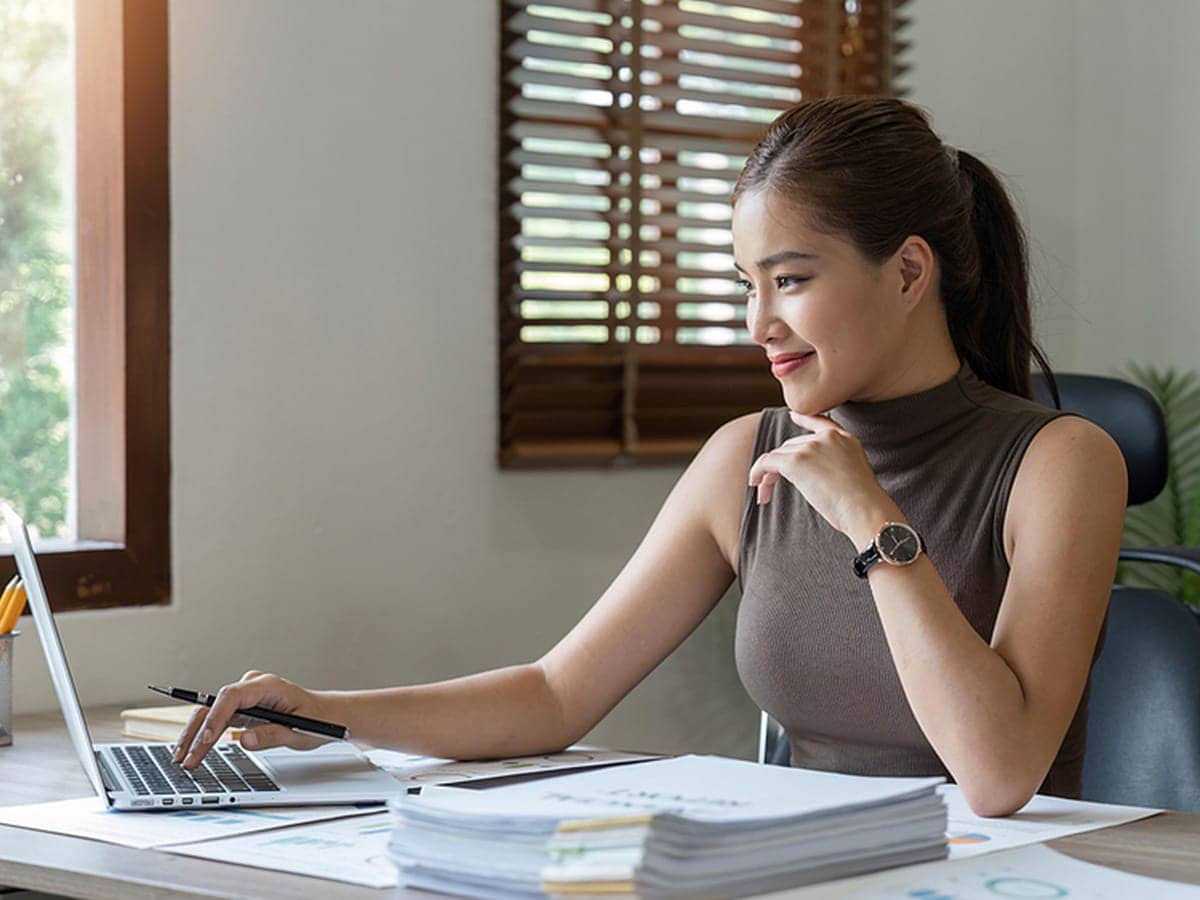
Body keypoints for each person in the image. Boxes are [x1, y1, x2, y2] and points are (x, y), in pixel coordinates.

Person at [173, 96, 1126, 818]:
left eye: (791, 280)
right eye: (747, 285)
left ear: (910, 271)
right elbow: (554, 695)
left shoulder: (1060, 462)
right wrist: (323, 712)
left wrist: (873, 522)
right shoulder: (742, 458)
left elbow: (999, 775)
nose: (759, 324)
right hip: (816, 870)